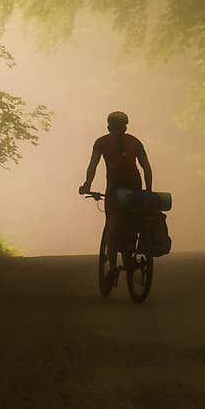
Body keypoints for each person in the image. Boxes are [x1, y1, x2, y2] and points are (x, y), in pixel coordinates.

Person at [79, 111, 153, 282]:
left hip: (114, 188)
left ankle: (112, 268)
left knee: (112, 226)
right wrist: (148, 190)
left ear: (108, 126)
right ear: (126, 126)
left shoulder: (101, 142)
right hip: (136, 187)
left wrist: (87, 186)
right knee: (135, 222)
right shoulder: (135, 142)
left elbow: (93, 166)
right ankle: (133, 252)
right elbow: (146, 167)